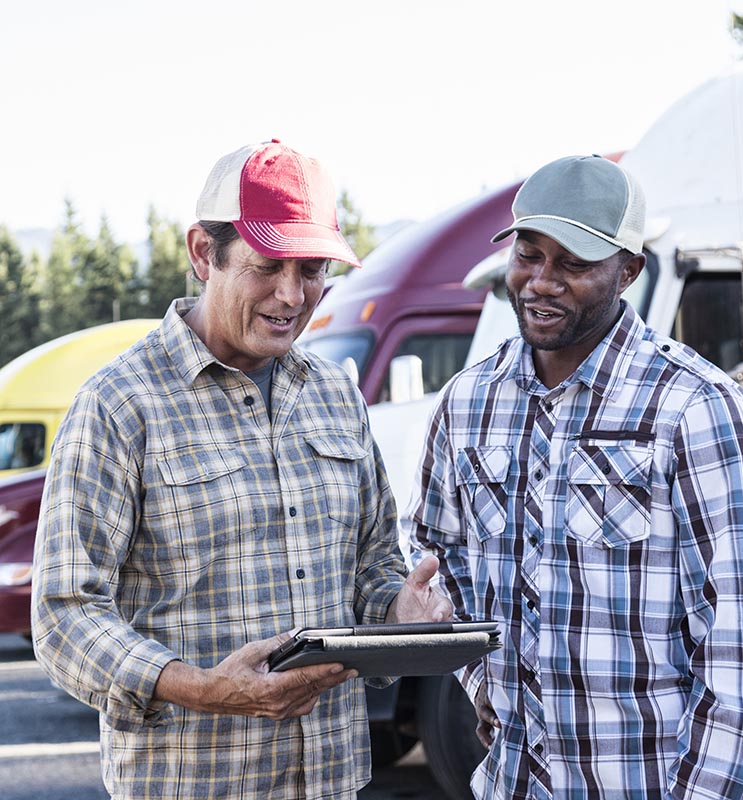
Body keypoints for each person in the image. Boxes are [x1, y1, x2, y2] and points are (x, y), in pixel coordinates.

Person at [31, 139, 451, 800]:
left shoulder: (337, 396)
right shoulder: (119, 406)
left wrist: (400, 610)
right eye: (268, 266)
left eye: (312, 269)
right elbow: (64, 616)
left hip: (333, 780)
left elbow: (372, 565)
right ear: (203, 252)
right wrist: (202, 689)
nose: (292, 294)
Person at [405, 155, 743, 799]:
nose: (541, 282)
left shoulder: (696, 407)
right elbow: (437, 555)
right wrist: (482, 679)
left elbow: (737, 649)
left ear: (628, 270)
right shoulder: (469, 402)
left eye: (574, 263)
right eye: (529, 254)